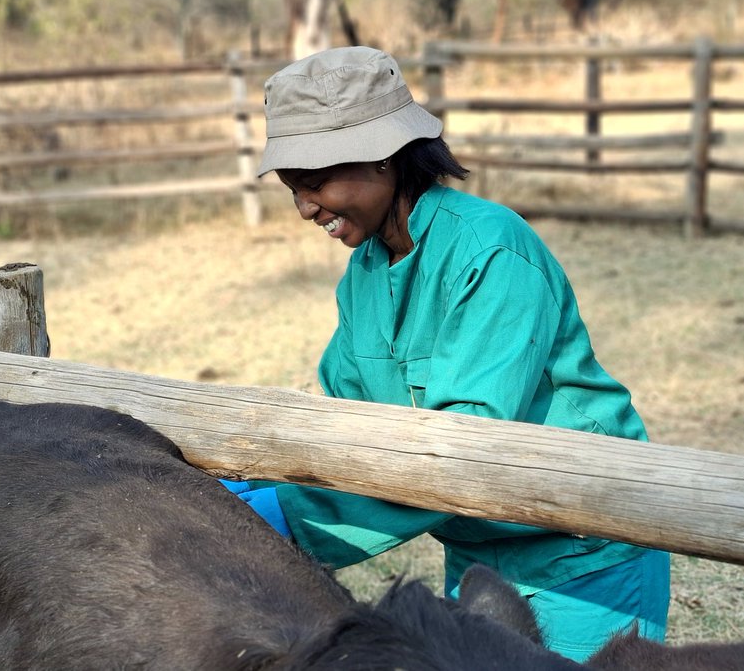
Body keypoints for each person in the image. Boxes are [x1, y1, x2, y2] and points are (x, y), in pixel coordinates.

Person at [221, 45, 669, 663]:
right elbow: (345, 416)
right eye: (292, 189)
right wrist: (248, 480)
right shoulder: (364, 274)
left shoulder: (491, 250)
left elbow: (465, 443)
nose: (305, 208)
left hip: (579, 546)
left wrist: (290, 515)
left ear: (382, 155)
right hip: (477, 549)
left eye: (316, 183)